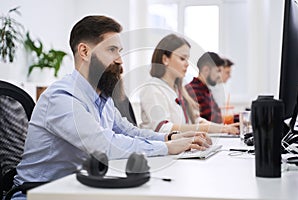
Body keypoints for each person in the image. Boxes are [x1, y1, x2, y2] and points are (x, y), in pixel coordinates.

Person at [11, 16, 212, 200]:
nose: (120, 59)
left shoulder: (101, 97)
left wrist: (169, 137)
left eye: (120, 51)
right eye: (111, 50)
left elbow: (127, 131)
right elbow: (103, 145)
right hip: (38, 193)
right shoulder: (62, 97)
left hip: (75, 189)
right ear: (84, 51)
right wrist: (166, 148)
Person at [138, 34, 239, 134]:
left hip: (181, 147)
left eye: (187, 59)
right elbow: (163, 128)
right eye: (182, 58)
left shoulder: (178, 89)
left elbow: (196, 121)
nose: (187, 64)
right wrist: (211, 129)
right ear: (165, 59)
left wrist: (224, 128)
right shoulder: (152, 88)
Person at [185, 52, 225, 124]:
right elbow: (213, 118)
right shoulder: (193, 89)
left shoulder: (206, 90)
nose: (220, 76)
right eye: (217, 71)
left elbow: (218, 116)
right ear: (206, 70)